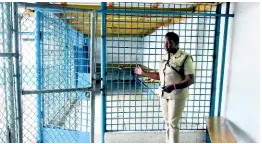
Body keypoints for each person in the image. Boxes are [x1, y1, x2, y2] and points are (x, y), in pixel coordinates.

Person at [134, 32, 195, 143]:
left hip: (177, 96)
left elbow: (190, 79)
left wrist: (174, 86)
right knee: (167, 122)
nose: (166, 45)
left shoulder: (185, 57)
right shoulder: (164, 57)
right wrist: (143, 72)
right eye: (165, 42)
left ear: (176, 43)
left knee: (173, 123)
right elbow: (159, 76)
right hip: (163, 95)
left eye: (170, 43)